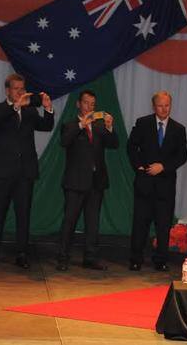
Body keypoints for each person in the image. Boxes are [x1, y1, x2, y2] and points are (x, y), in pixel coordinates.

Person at [0, 73, 54, 269]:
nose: (21, 93)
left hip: (25, 172)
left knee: (23, 214)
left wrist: (48, 108)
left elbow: (46, 127)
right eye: (16, 89)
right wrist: (16, 106)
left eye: (23, 89)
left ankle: (22, 254)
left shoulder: (30, 112)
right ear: (8, 90)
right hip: (3, 171)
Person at [56, 90, 118, 271]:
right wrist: (81, 125)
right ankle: (63, 257)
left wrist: (109, 127)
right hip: (75, 183)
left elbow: (114, 144)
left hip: (96, 182)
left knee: (93, 222)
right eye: (86, 103)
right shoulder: (70, 125)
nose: (89, 107)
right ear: (78, 104)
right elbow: (64, 142)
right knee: (69, 221)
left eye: (92, 104)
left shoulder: (99, 127)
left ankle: (90, 258)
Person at [127, 91, 187, 271]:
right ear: (154, 106)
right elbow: (131, 146)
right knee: (140, 223)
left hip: (166, 185)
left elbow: (182, 156)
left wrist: (164, 166)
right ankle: (136, 258)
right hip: (144, 183)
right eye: (160, 105)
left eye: (167, 105)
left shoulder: (179, 129)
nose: (164, 109)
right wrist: (138, 165)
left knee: (163, 225)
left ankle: (160, 260)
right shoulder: (143, 123)